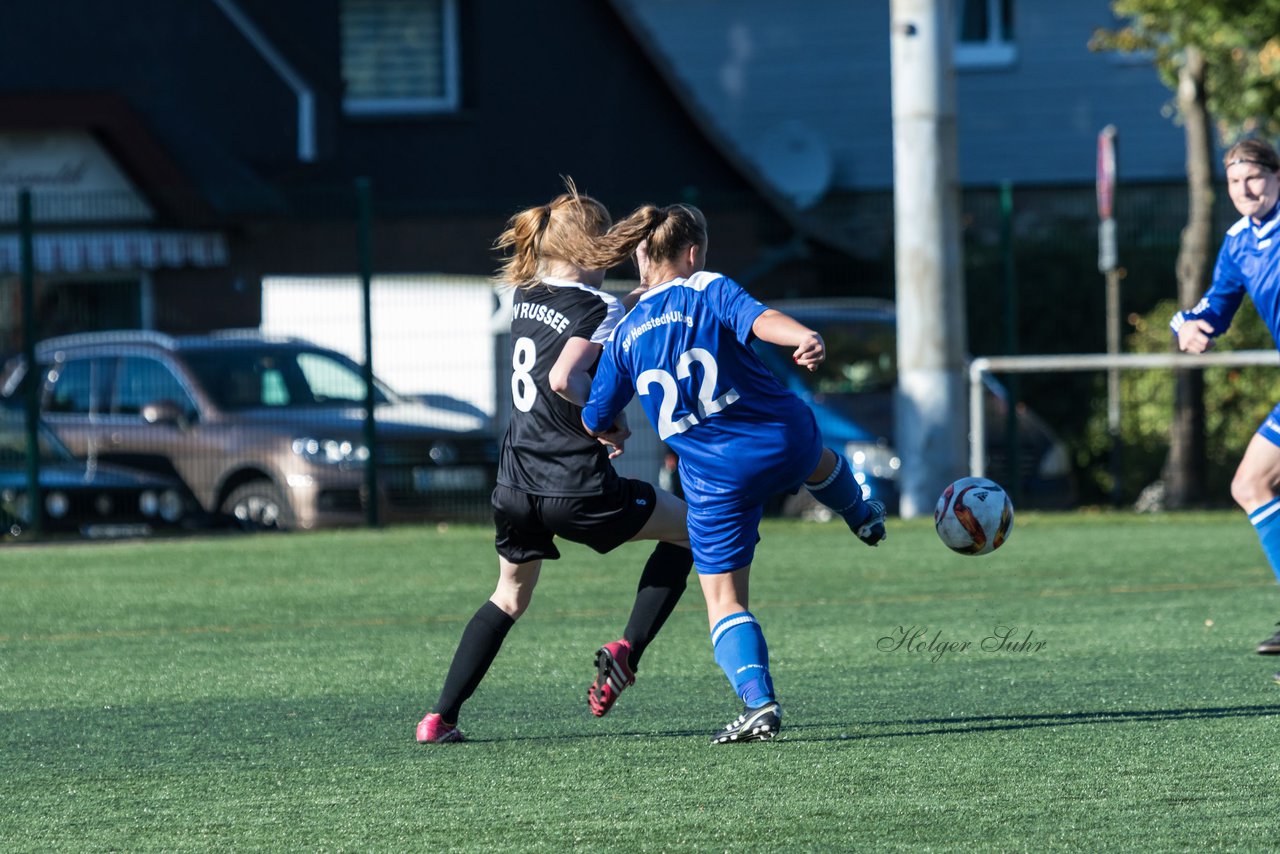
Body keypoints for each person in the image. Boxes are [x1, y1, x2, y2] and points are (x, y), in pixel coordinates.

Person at [580, 203, 887, 744]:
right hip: (780, 436)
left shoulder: (626, 332)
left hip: (717, 480)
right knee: (817, 459)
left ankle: (759, 703)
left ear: (640, 254)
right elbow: (761, 318)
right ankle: (861, 515)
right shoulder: (706, 286)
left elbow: (596, 412)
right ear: (693, 252)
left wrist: (611, 433)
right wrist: (801, 337)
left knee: (725, 602)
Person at [415, 182, 695, 743]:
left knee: (509, 597)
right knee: (693, 529)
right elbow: (565, 378)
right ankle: (627, 651)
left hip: (515, 483)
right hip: (575, 486)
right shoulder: (600, 307)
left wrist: (597, 419)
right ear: (593, 248)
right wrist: (605, 420)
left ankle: (439, 718)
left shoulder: (523, 294)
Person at [1171, 138, 1280, 673]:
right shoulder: (1239, 244)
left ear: (1277, 177)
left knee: (1251, 484)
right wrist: (1191, 327)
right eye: (1235, 182)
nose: (1245, 190)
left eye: (1255, 178)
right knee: (1250, 485)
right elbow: (1215, 307)